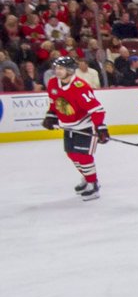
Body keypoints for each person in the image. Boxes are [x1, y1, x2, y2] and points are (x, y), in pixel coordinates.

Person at [41, 53, 109, 200]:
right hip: (68, 127)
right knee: (72, 154)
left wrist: (101, 127)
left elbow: (96, 109)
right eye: (57, 68)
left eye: (61, 68)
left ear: (70, 70)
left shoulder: (80, 87)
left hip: (85, 127)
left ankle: (93, 185)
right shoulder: (53, 83)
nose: (58, 71)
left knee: (83, 156)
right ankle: (87, 176)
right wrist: (51, 116)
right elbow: (54, 102)